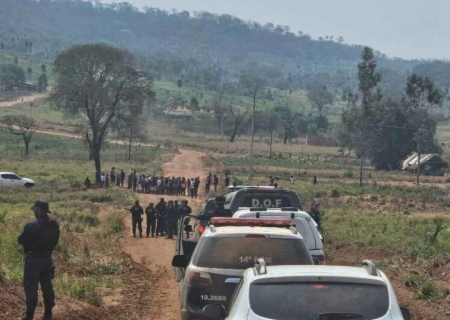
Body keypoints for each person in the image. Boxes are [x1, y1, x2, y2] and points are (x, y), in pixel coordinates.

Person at [18, 200, 60, 320]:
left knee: (31, 286)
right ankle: (48, 314)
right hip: (47, 259)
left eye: (35, 210)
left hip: (33, 260)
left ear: (39, 211)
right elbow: (55, 241)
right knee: (47, 285)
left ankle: (29, 316)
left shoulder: (31, 225)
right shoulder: (54, 225)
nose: (34, 213)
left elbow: (21, 240)